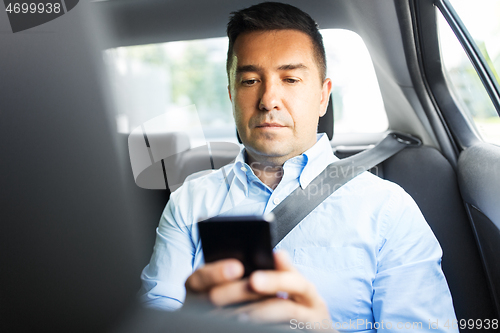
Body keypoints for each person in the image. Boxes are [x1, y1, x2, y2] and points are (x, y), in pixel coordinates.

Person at [140, 2, 457, 331]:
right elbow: (154, 311)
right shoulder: (188, 202)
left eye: (290, 79)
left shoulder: (388, 210)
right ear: (232, 95)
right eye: (250, 81)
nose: (268, 99)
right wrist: (188, 322)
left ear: (323, 96)